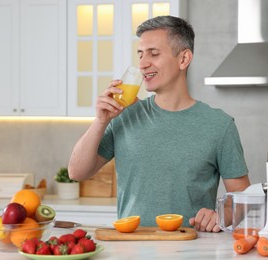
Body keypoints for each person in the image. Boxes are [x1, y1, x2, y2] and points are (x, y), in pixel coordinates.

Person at [68, 15, 250, 232]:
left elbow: (242, 199)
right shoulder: (125, 116)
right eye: (141, 55)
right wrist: (100, 121)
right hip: (132, 248)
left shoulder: (219, 125)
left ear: (183, 59)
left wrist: (221, 214)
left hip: (191, 249)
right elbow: (76, 172)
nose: (143, 64)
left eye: (154, 54)